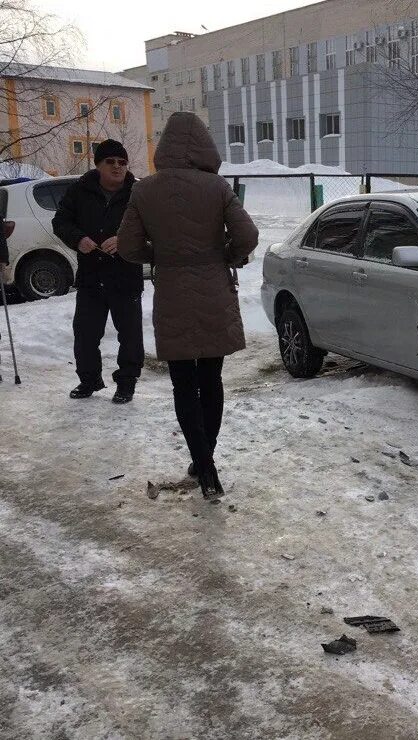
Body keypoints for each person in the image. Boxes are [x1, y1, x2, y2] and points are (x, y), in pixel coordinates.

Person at [117, 112, 258, 500]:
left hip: (173, 293)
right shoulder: (217, 188)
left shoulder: (145, 190)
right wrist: (227, 255)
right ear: (203, 147)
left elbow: (128, 247)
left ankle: (204, 466)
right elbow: (248, 235)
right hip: (213, 287)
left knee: (183, 383)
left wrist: (161, 254)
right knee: (211, 380)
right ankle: (206, 460)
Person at [52, 140, 144, 404]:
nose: (117, 167)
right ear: (98, 165)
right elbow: (60, 221)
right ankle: (89, 379)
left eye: (122, 162)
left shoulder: (137, 193)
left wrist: (125, 240)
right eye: (110, 162)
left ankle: (126, 382)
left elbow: (151, 229)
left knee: (130, 335)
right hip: (91, 276)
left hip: (126, 275)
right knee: (85, 332)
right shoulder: (80, 190)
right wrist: (78, 239)